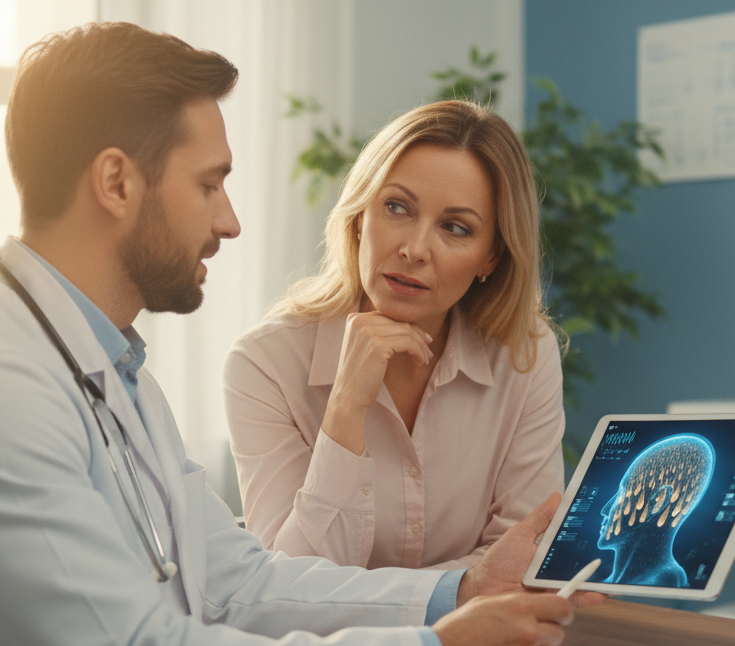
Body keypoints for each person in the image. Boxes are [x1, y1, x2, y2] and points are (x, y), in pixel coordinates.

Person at [0, 23, 600, 646]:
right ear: (116, 182)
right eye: (209, 184)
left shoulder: (107, 375)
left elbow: (237, 586)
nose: (229, 222)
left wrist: (459, 590)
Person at [224, 100, 564, 570]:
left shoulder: (525, 354)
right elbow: (283, 588)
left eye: (455, 228)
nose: (414, 249)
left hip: (481, 642)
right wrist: (345, 408)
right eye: (397, 207)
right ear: (360, 215)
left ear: (491, 257)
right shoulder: (263, 363)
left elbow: (520, 555)